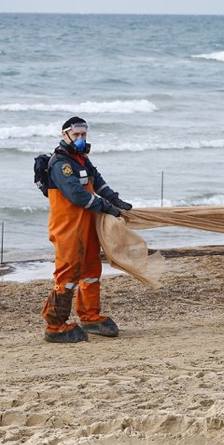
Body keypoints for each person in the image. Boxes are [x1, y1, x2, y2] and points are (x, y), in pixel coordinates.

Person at [42, 116, 132, 343]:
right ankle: (55, 326)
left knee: (91, 271)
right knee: (68, 274)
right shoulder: (60, 164)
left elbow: (98, 183)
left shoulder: (82, 159)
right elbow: (77, 195)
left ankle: (90, 316)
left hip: (87, 226)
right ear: (65, 135)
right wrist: (106, 206)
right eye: (76, 135)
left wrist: (116, 201)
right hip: (68, 229)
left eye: (84, 134)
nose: (81, 139)